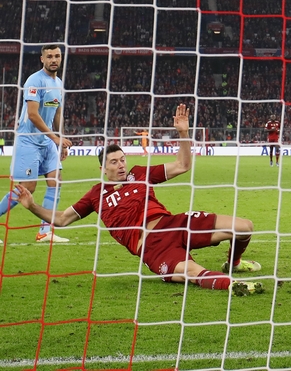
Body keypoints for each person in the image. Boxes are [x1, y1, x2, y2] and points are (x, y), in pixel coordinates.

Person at [12, 104, 265, 296]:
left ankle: (234, 264)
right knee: (192, 273)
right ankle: (234, 285)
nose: (121, 165)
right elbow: (61, 219)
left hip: (174, 224)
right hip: (153, 246)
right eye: (114, 162)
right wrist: (32, 206)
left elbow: (182, 165)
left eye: (122, 160)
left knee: (245, 227)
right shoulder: (96, 194)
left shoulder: (139, 174)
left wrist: (183, 133)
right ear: (103, 169)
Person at [0, 44, 73, 243]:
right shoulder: (34, 80)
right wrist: (55, 138)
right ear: (42, 59)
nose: (54, 60)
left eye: (57, 56)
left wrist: (61, 141)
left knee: (55, 181)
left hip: (47, 141)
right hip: (29, 140)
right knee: (27, 188)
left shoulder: (58, 83)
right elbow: (32, 114)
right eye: (49, 56)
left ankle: (44, 231)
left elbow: (57, 114)